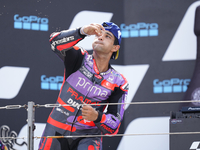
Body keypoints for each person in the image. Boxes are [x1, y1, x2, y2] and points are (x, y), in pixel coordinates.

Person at [39, 22, 129, 150]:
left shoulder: (119, 82)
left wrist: (97, 117)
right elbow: (54, 43)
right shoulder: (79, 57)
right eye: (99, 34)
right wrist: (81, 31)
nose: (101, 37)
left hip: (89, 137)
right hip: (56, 130)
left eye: (108, 36)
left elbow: (114, 126)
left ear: (115, 48)